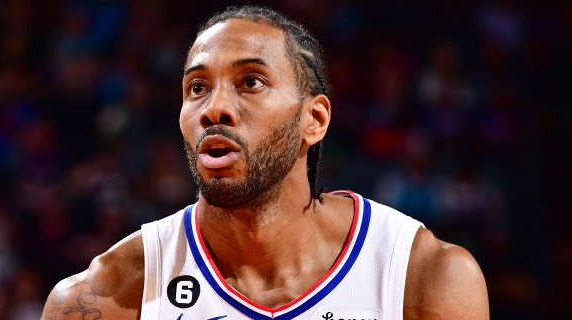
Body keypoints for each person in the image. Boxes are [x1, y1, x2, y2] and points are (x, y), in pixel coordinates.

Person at [41, 5, 489, 319]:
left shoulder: (425, 278)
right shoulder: (104, 297)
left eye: (250, 81)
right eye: (196, 87)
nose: (214, 108)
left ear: (313, 120)